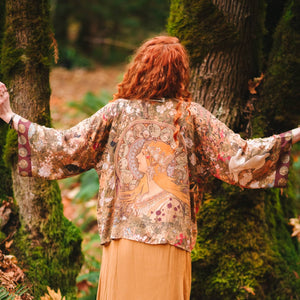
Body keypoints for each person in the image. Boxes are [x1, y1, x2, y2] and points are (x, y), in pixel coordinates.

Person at [0, 36, 299, 300]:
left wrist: (12, 117)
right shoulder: (190, 116)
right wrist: (294, 136)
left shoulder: (118, 112)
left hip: (123, 239)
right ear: (180, 74)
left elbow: (65, 145)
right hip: (171, 240)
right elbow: (239, 156)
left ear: (140, 67)